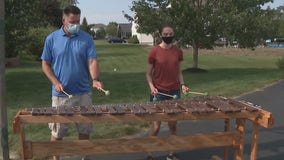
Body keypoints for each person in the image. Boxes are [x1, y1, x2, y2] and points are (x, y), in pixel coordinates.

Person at [41, 5, 103, 160]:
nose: (75, 25)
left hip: (83, 93)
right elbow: (45, 64)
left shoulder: (86, 38)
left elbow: (92, 60)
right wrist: (55, 81)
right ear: (63, 20)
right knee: (57, 132)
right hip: (61, 95)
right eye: (72, 22)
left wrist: (95, 79)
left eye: (78, 21)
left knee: (85, 130)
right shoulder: (52, 38)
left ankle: (84, 157)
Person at [146, 23, 189, 160]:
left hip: (174, 91)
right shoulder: (154, 51)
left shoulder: (178, 51)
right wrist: (151, 86)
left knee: (173, 124)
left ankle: (171, 153)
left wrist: (183, 85)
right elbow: (148, 73)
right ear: (161, 35)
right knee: (157, 126)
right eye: (166, 34)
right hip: (158, 92)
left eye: (170, 34)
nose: (168, 36)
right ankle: (150, 153)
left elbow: (179, 71)